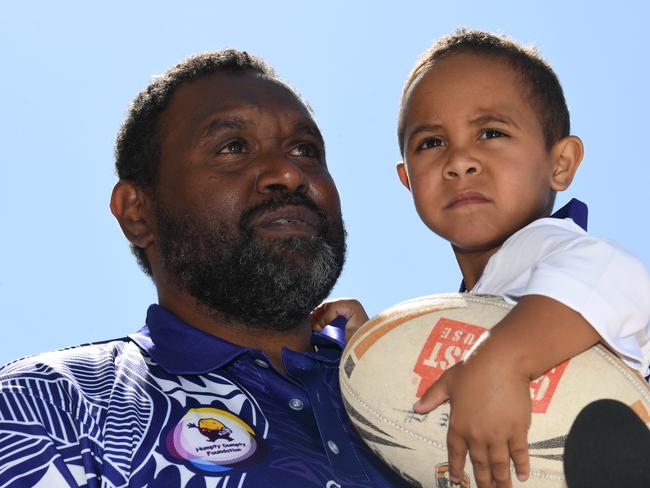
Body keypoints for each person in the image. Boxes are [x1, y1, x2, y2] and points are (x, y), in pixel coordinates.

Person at [0, 50, 411, 487]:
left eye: (304, 150)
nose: (288, 173)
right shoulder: (53, 402)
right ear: (138, 213)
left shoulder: (424, 394)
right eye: (233, 147)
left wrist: (401, 373)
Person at [315, 29, 650, 488]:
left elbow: (616, 275)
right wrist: (374, 344)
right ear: (408, 180)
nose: (460, 161)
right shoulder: (488, 297)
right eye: (431, 143)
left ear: (561, 163)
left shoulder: (550, 247)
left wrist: (501, 361)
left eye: (491, 133)